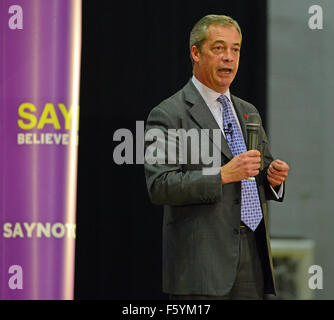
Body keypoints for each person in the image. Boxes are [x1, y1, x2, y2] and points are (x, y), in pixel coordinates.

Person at [144, 14, 290, 300]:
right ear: (195, 53)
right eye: (219, 48)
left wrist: (273, 178)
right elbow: (159, 185)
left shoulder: (248, 112)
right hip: (202, 266)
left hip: (253, 259)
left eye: (235, 49)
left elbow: (259, 169)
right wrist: (223, 174)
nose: (229, 58)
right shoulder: (169, 114)